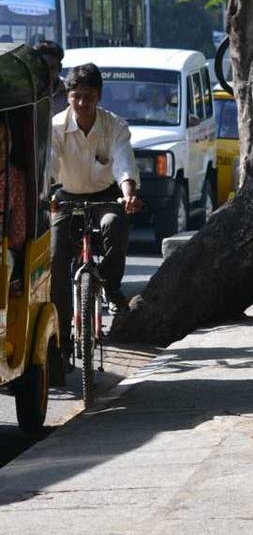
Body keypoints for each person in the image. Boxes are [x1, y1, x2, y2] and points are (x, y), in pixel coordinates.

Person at [50, 63, 142, 366]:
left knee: (115, 225)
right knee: (56, 260)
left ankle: (112, 289)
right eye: (76, 96)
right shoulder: (56, 128)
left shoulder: (114, 125)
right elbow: (50, 164)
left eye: (88, 96)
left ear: (99, 96)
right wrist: (47, 194)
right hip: (66, 198)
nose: (82, 103)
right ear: (68, 96)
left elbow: (123, 162)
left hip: (105, 197)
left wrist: (128, 192)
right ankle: (62, 341)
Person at [0, 123, 26, 273]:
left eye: (5, 140)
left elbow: (18, 236)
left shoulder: (16, 179)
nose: (2, 147)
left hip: (3, 249)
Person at [35, 40, 68, 115]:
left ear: (59, 68)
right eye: (42, 68)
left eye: (52, 68)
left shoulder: (70, 92)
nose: (47, 73)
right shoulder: (25, 93)